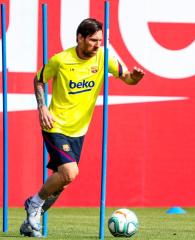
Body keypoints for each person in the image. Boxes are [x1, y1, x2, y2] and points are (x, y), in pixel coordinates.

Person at [20, 18, 145, 237]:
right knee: (70, 172)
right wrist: (42, 108)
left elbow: (126, 78)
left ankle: (31, 221)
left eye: (100, 40)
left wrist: (134, 78)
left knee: (61, 183)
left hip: (79, 131)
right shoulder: (61, 60)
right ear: (80, 38)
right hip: (55, 124)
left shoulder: (105, 57)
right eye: (93, 40)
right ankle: (34, 203)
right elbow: (39, 80)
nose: (98, 45)